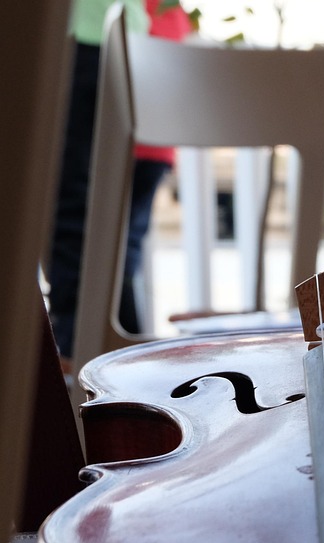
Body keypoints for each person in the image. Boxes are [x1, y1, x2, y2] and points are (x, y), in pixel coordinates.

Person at [46, 0, 191, 364]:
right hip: (124, 44)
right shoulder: (165, 15)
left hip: (88, 38)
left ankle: (78, 351)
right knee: (114, 243)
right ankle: (111, 353)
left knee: (78, 216)